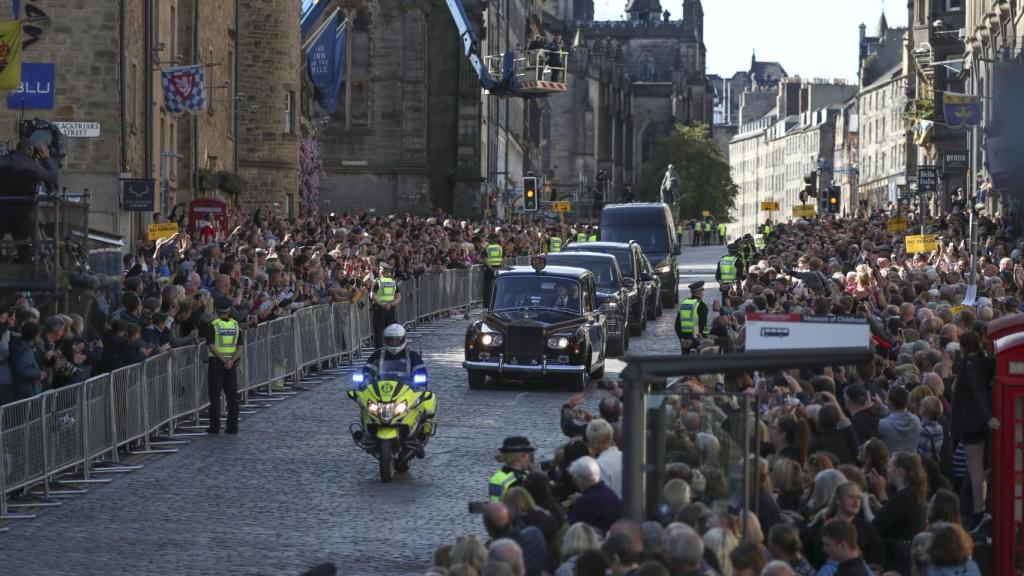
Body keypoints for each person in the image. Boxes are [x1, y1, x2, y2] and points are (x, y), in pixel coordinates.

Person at [360, 323, 435, 439]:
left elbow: (422, 375)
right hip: (381, 392)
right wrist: (363, 380)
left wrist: (420, 381)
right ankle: (365, 431)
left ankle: (423, 432)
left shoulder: (412, 356)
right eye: (391, 340)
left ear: (403, 340)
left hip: (405, 392)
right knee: (363, 401)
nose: (394, 343)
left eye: (397, 340)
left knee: (430, 399)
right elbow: (367, 371)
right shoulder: (377, 355)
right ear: (386, 340)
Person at [0, 138, 59, 263]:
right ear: (30, 150)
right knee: (23, 246)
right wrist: (46, 158)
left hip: (2, 210)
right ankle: (25, 270)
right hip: (23, 212)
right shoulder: (32, 165)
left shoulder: (2, 161)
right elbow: (52, 177)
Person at [207, 297, 243, 434]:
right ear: (229, 310)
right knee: (232, 397)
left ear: (215, 309)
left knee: (215, 397)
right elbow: (240, 347)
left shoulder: (213, 325)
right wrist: (231, 361)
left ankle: (214, 427)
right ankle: (233, 426)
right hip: (231, 365)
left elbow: (211, 346)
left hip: (217, 364)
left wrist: (223, 360)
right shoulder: (235, 325)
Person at [490, 436, 536, 502]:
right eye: (529, 455)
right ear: (521, 457)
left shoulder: (497, 476)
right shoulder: (518, 481)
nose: (530, 460)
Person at [371, 262, 401, 347]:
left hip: (379, 309)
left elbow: (372, 295)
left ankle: (378, 351)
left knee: (379, 332)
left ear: (382, 271)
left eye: (379, 269)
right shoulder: (393, 282)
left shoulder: (378, 281)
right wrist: (391, 304)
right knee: (391, 332)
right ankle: (392, 350)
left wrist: (382, 304)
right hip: (390, 309)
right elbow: (398, 297)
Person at [675, 281, 709, 355]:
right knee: (697, 363)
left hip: (684, 340)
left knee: (685, 363)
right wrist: (693, 340)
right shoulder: (701, 305)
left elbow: (677, 324)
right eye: (702, 290)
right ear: (700, 292)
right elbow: (701, 325)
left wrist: (682, 339)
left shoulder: (684, 303)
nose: (703, 292)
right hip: (697, 340)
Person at [715, 246, 742, 311]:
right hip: (734, 286)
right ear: (737, 252)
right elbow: (740, 275)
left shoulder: (722, 260)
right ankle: (736, 316)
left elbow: (717, 275)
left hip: (724, 285)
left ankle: (726, 316)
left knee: (725, 302)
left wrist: (721, 283)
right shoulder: (737, 260)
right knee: (736, 303)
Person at [484, 234, 504, 309]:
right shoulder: (500, 247)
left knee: (488, 288)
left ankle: (487, 305)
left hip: (490, 270)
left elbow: (485, 259)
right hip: (498, 270)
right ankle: (497, 303)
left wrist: (491, 268)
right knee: (498, 287)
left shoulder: (487, 247)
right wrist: (500, 267)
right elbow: (504, 258)